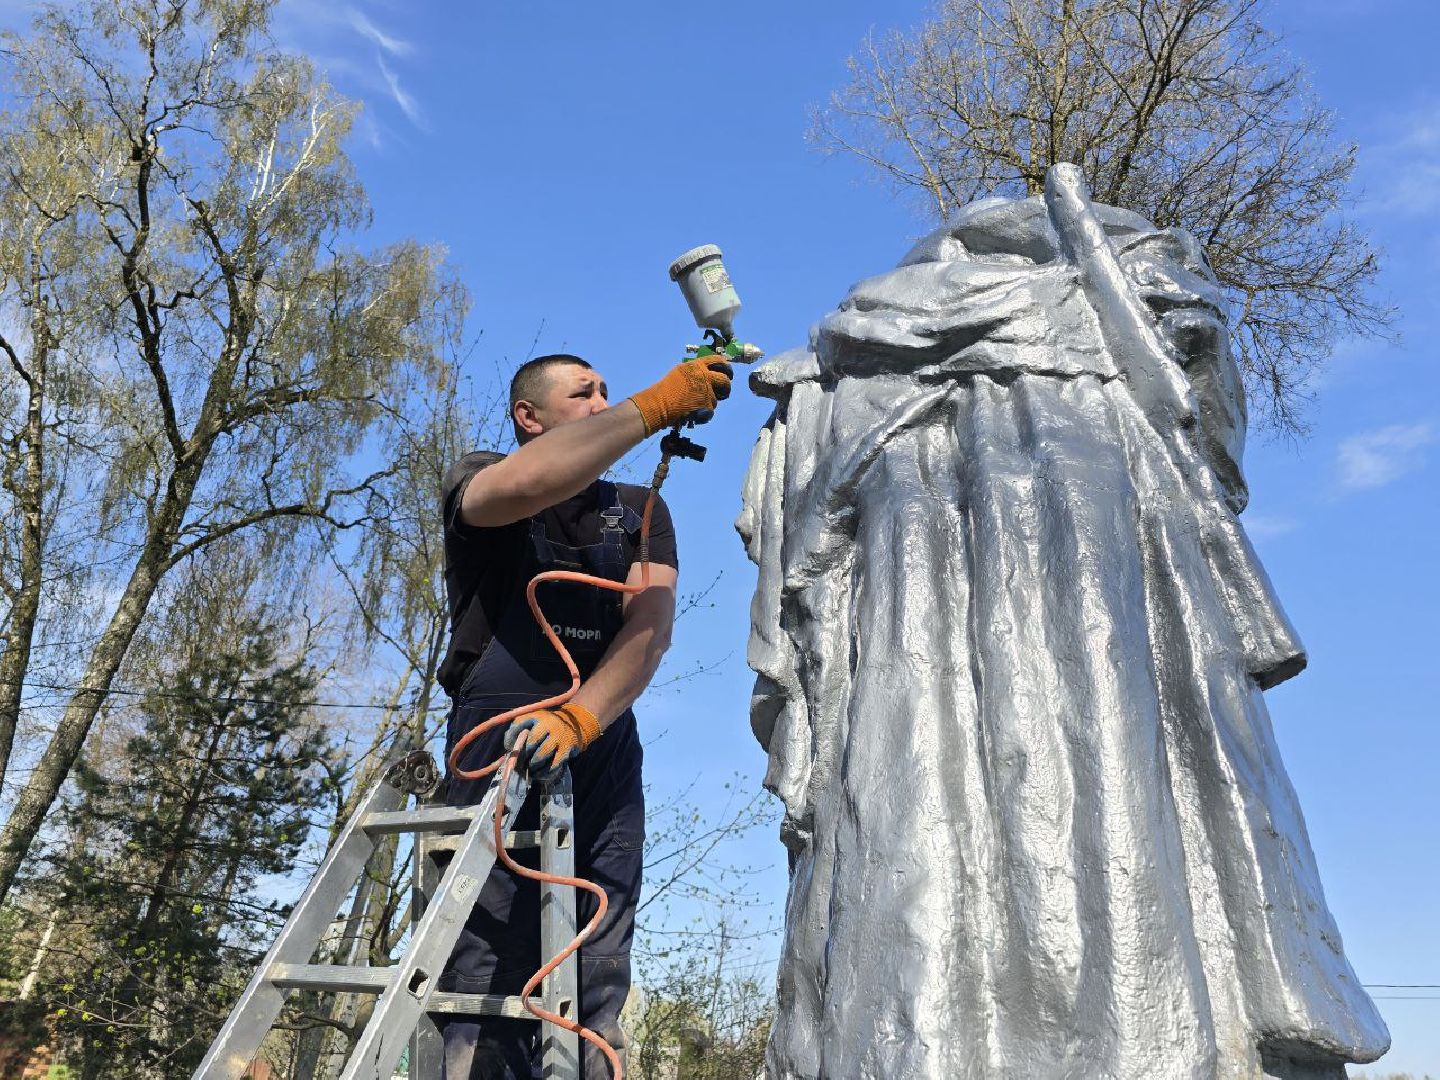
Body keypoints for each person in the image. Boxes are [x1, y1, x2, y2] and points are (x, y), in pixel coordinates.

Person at [739, 167, 1388, 1079]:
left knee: (912, 794)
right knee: (1122, 784)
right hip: (1105, 643)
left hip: (909, 683)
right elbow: (1212, 439)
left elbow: (799, 584)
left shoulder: (849, 367)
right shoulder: (1125, 325)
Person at [436, 351, 733, 1078]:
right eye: (584, 393)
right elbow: (530, 480)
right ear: (528, 417)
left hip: (597, 736)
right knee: (484, 960)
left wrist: (583, 719)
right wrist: (651, 405)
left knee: (594, 958)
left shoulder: (640, 511)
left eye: (608, 390)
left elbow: (650, 627)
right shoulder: (480, 479)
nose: (602, 402)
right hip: (494, 740)